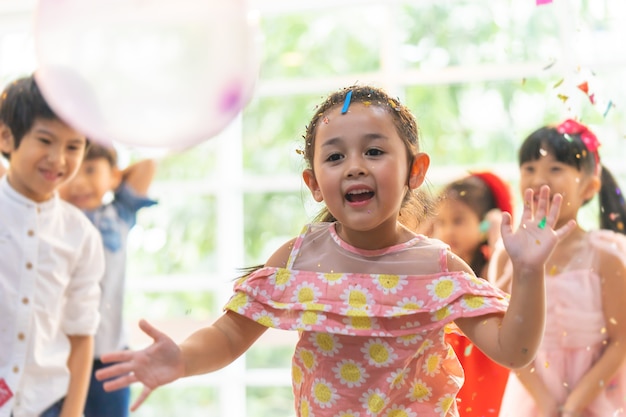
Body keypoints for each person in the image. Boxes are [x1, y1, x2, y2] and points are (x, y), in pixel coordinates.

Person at [95, 85, 575, 416]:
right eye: (335, 156)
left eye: (373, 151)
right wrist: (180, 359)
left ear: (416, 170)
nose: (354, 167)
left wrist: (529, 273)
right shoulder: (300, 259)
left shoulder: (436, 267)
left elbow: (515, 350)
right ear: (314, 184)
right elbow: (225, 337)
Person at [491, 119, 626, 417]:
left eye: (555, 169)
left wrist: (576, 404)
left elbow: (621, 340)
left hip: (597, 396)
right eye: (529, 168)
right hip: (533, 399)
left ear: (589, 186)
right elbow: (501, 332)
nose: (539, 178)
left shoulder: (606, 258)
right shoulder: (507, 256)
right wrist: (546, 402)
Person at [0, 75, 105, 417]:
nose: (58, 159)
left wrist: (71, 413)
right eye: (45, 140)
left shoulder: (82, 235)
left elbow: (80, 332)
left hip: (43, 403)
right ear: (6, 136)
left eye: (73, 146)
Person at [58, 144, 156, 417]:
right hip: (60, 355)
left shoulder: (118, 214)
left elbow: (147, 164)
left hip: (111, 355)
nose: (78, 182)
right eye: (70, 172)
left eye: (89, 170)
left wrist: (110, 177)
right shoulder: (53, 216)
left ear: (113, 176)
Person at [430, 172, 515, 416]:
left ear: (485, 222)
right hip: (451, 360)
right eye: (441, 222)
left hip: (484, 362)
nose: (447, 230)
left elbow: (503, 299)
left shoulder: (492, 265)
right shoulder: (439, 266)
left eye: (458, 221)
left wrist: (498, 240)